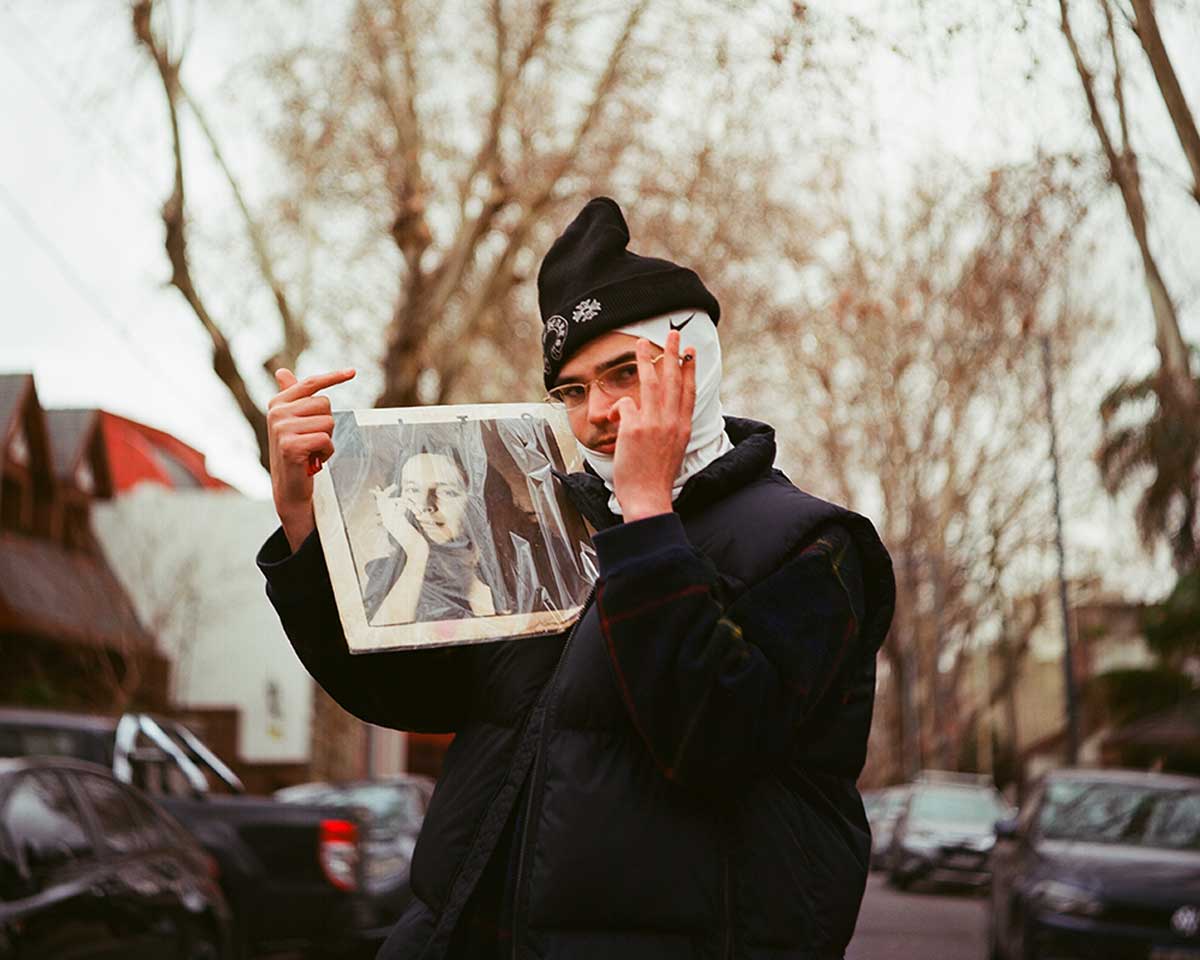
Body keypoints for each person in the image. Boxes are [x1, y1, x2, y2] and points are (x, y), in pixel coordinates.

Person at [258, 196, 896, 960]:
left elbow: (713, 744)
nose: (596, 413)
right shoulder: (548, 529)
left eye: (624, 373)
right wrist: (305, 522)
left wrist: (647, 514)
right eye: (572, 390)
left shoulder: (814, 545)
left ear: (692, 367)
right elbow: (407, 692)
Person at [364, 447, 497, 625]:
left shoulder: (512, 570)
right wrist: (417, 553)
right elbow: (383, 637)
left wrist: (472, 576)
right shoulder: (386, 573)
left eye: (447, 492)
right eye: (413, 490)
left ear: (478, 501)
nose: (426, 504)